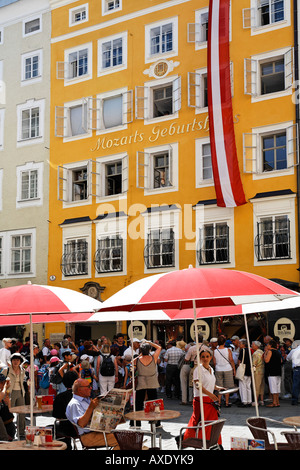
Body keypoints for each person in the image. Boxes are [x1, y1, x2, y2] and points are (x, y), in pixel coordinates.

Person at [180, 348, 223, 447]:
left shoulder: (211, 369)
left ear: (211, 357)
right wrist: (211, 395)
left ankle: (214, 443)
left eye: (207, 356)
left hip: (209, 400)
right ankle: (188, 440)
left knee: (212, 423)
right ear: (199, 358)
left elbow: (210, 383)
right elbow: (198, 385)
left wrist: (217, 388)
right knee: (199, 422)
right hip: (201, 400)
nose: (205, 358)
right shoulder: (198, 369)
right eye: (203, 357)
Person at [65, 378, 120, 449]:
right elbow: (81, 423)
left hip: (97, 431)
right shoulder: (75, 404)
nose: (91, 388)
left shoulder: (86, 400)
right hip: (87, 436)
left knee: (125, 438)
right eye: (88, 386)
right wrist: (91, 407)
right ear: (79, 390)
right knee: (121, 440)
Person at [130, 340, 162, 428]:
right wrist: (149, 342)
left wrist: (140, 354)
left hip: (141, 381)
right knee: (154, 402)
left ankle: (136, 423)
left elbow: (131, 364)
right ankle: (156, 422)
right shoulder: (153, 357)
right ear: (149, 350)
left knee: (139, 402)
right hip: (152, 381)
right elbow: (159, 347)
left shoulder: (137, 359)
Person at [52, 370, 79, 450]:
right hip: (81, 427)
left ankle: (67, 447)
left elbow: (56, 415)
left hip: (65, 428)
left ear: (64, 383)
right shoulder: (82, 396)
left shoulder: (60, 397)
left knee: (56, 426)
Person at [3, 352, 27, 438]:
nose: (16, 362)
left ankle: (21, 432)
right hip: (10, 393)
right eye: (14, 360)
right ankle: (9, 431)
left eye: (17, 360)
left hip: (20, 392)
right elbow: (1, 380)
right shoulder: (7, 370)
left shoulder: (23, 370)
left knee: (22, 413)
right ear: (11, 361)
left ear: (20, 361)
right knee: (9, 413)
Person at [213, 335, 235, 407]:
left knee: (219, 387)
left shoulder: (215, 351)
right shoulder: (228, 350)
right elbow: (231, 360)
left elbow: (214, 362)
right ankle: (227, 402)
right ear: (224, 342)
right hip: (227, 369)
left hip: (218, 369)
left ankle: (219, 402)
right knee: (227, 387)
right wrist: (234, 369)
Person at [264, 339, 282, 407]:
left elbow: (266, 360)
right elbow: (280, 361)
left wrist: (265, 353)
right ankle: (277, 402)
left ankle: (274, 402)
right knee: (277, 388)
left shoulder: (270, 351)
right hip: (278, 371)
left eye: (267, 344)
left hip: (272, 372)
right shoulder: (278, 352)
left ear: (270, 345)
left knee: (273, 388)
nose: (267, 346)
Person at [237, 339, 252, 407]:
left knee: (242, 386)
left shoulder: (242, 350)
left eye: (240, 343)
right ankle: (249, 400)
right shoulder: (250, 350)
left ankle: (244, 401)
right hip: (249, 370)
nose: (239, 345)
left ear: (243, 344)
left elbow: (239, 360)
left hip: (243, 370)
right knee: (248, 386)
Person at [286, 341, 300, 406]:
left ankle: (295, 400)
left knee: (296, 384)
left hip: (297, 368)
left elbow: (288, 358)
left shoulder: (294, 351)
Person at [251, 341, 265, 406]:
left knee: (256, 386)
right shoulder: (262, 352)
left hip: (257, 371)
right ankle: (261, 400)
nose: (251, 345)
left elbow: (254, 363)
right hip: (262, 370)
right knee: (261, 385)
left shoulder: (255, 354)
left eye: (252, 344)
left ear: (256, 346)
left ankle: (256, 401)